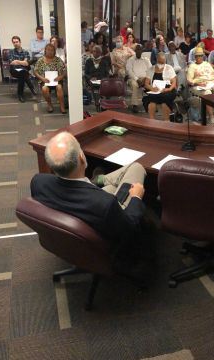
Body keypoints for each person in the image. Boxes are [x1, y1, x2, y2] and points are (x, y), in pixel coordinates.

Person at [30, 132, 152, 280]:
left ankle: (98, 180)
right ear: (82, 157)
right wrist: (136, 197)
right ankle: (99, 181)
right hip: (103, 234)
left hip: (81, 216)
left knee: (114, 184)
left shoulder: (38, 182)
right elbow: (130, 226)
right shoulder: (106, 203)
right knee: (137, 168)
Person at [186, 46, 214, 125]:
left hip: (211, 83)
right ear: (195, 57)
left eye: (201, 55)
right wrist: (197, 83)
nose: (200, 57)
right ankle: (211, 117)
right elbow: (189, 81)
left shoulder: (207, 64)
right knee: (207, 93)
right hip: (199, 85)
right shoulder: (192, 66)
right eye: (198, 56)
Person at [142, 52, 177, 121]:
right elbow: (146, 84)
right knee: (151, 101)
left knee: (165, 102)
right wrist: (152, 88)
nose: (161, 64)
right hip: (155, 90)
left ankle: (166, 121)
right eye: (160, 62)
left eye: (163, 62)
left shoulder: (169, 68)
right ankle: (152, 121)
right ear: (157, 60)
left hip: (167, 90)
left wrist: (169, 89)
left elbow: (174, 82)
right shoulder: (151, 69)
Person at [34, 43, 67, 114]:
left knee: (59, 87)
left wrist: (60, 77)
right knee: (44, 89)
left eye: (52, 50)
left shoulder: (58, 60)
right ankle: (49, 104)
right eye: (48, 50)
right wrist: (42, 78)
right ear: (45, 51)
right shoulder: (40, 60)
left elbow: (64, 71)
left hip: (56, 80)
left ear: (54, 51)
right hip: (45, 81)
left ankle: (62, 106)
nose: (50, 51)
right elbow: (35, 72)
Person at [8, 36, 36, 102]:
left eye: (17, 42)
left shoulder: (25, 52)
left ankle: (20, 94)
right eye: (14, 42)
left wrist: (17, 61)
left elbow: (26, 63)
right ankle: (31, 87)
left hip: (23, 70)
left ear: (20, 42)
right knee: (24, 73)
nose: (15, 43)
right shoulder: (11, 52)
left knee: (22, 74)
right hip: (14, 70)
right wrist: (22, 62)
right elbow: (11, 63)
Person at [126, 44, 152, 113]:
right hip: (133, 79)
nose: (138, 51)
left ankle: (152, 104)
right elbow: (129, 72)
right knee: (135, 85)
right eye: (137, 50)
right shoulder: (130, 60)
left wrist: (145, 79)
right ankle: (135, 105)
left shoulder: (146, 60)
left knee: (153, 83)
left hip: (145, 78)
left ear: (142, 51)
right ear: (135, 51)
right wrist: (137, 79)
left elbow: (151, 70)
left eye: (140, 50)